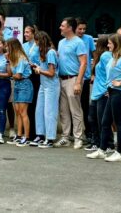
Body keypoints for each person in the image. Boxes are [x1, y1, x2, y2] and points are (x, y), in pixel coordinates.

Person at [86, 33, 121, 162]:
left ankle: (120, 153)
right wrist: (110, 87)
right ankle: (102, 150)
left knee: (119, 124)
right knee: (105, 122)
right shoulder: (114, 57)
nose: (108, 45)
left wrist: (120, 83)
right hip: (113, 92)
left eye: (110, 43)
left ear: (116, 44)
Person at [55, 17, 87, 149]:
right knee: (63, 110)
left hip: (73, 78)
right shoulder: (61, 42)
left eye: (62, 26)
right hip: (61, 79)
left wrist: (78, 82)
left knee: (75, 109)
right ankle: (65, 137)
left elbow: (83, 63)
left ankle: (78, 137)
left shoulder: (78, 42)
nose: (60, 28)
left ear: (69, 28)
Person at [30, 31, 60, 149]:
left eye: (37, 41)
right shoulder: (42, 53)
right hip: (44, 84)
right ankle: (40, 135)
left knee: (49, 112)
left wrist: (39, 70)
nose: (35, 44)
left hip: (51, 85)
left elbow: (52, 73)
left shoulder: (51, 53)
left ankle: (50, 138)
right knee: (39, 110)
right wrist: (36, 67)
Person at [84, 36, 112, 152]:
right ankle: (96, 142)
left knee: (102, 121)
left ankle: (108, 144)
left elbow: (112, 72)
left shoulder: (106, 56)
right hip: (96, 92)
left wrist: (109, 88)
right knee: (92, 119)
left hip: (102, 92)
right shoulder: (100, 57)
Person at [6, 38, 33, 147]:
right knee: (17, 111)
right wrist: (7, 61)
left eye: (8, 46)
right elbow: (10, 73)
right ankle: (19, 135)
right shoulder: (13, 58)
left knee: (23, 112)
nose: (6, 48)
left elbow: (18, 75)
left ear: (12, 46)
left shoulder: (21, 58)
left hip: (24, 84)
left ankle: (26, 137)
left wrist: (10, 76)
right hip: (17, 84)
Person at [75, 18, 96, 142]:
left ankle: (89, 132)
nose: (82, 31)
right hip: (73, 76)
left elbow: (95, 55)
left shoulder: (88, 39)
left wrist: (93, 73)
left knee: (85, 106)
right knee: (73, 106)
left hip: (85, 77)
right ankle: (76, 131)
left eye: (84, 29)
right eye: (80, 29)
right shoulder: (70, 40)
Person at [22, 25, 40, 139]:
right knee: (26, 104)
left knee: (35, 104)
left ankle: (36, 132)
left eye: (28, 32)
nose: (25, 34)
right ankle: (27, 132)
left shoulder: (38, 45)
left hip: (36, 75)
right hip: (25, 76)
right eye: (24, 32)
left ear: (33, 33)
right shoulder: (23, 46)